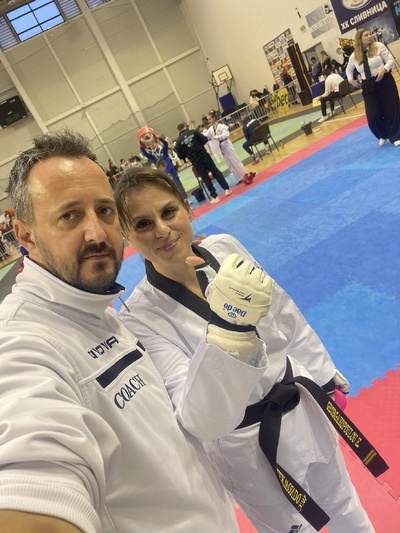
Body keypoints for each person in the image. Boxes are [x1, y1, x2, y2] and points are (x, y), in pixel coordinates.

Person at [0, 129, 263, 533]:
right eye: (70, 215)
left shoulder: (99, 312)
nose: (96, 233)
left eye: (104, 211)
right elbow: (36, 475)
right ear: (25, 235)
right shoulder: (22, 344)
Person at [115, 167, 376, 533]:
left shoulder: (224, 248)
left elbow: (282, 310)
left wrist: (323, 376)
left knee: (347, 509)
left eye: (168, 211)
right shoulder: (139, 316)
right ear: (127, 235)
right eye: (143, 224)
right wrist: (230, 329)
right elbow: (196, 417)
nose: (161, 229)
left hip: (301, 405)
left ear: (187, 208)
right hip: (248, 448)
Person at [346, 27, 400, 147]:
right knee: (372, 115)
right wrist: (351, 80)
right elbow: (348, 70)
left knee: (391, 109)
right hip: (368, 85)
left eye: (370, 34)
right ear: (359, 39)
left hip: (384, 81)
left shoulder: (379, 46)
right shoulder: (354, 56)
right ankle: (382, 134)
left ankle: (396, 135)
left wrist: (383, 69)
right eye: (366, 35)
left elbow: (390, 60)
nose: (369, 36)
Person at [175, 122, 232, 205]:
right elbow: (204, 140)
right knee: (215, 171)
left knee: (205, 178)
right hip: (203, 154)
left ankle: (215, 196)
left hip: (195, 160)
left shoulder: (178, 141)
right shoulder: (193, 132)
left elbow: (180, 156)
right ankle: (226, 189)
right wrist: (198, 145)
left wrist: (187, 153)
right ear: (184, 127)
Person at [138, 126, 188, 199]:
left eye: (154, 144)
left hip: (172, 171)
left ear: (156, 143)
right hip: (164, 174)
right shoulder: (152, 157)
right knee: (170, 188)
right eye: (151, 145)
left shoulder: (163, 151)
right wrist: (141, 145)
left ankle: (185, 198)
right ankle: (177, 200)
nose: (153, 146)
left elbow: (166, 144)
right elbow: (144, 153)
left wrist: (160, 138)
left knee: (179, 184)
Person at [206, 110, 253, 184]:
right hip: (220, 147)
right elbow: (206, 136)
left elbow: (226, 134)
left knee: (235, 161)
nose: (209, 121)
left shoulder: (221, 126)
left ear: (214, 118)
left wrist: (219, 136)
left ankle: (245, 175)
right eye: (208, 119)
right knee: (229, 164)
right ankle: (239, 178)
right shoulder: (210, 129)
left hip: (226, 144)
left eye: (210, 119)